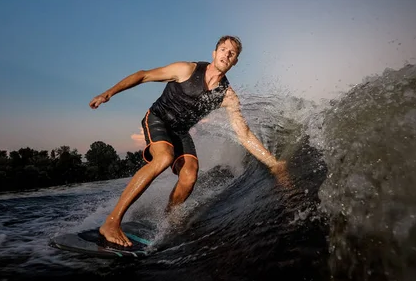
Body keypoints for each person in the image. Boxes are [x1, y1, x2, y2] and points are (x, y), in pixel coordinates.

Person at [88, 35, 290, 247]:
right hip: (158, 119)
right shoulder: (186, 70)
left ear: (235, 61)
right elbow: (143, 76)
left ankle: (168, 219)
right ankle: (111, 222)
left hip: (180, 131)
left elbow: (244, 135)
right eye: (223, 49)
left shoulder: (228, 97)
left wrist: (273, 163)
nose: (226, 54)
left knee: (190, 176)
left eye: (232, 53)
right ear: (214, 53)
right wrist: (109, 93)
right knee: (164, 157)